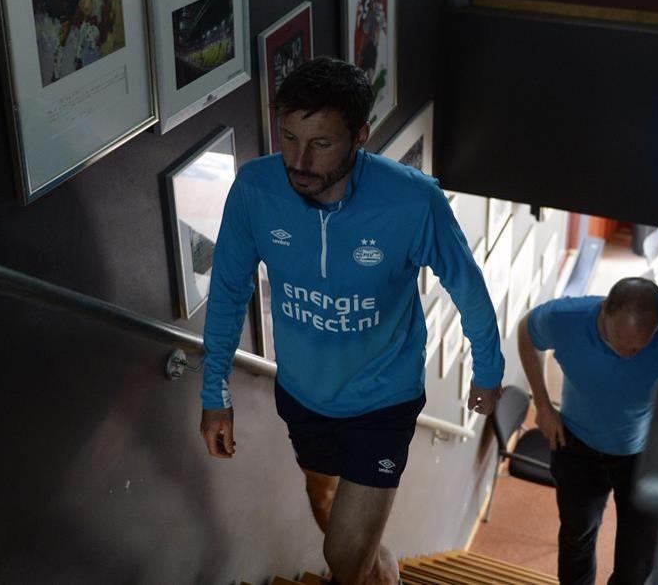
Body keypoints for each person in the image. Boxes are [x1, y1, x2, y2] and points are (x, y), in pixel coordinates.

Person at [199, 57, 505, 585]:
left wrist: (487, 370)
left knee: (343, 559)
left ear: (360, 136)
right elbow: (227, 292)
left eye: (321, 144)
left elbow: (468, 289)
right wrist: (214, 394)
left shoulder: (412, 201)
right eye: (289, 137)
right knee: (326, 502)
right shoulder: (255, 188)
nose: (299, 159)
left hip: (383, 399)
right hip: (302, 393)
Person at [516, 277, 658, 585]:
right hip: (576, 448)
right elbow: (526, 331)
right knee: (577, 538)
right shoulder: (565, 319)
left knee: (638, 560)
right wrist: (543, 405)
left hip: (645, 454)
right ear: (604, 312)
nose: (627, 354)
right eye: (618, 341)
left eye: (638, 347)